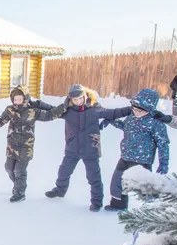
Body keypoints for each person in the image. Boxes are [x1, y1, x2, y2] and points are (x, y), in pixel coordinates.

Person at [42, 84, 132, 212]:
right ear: (70, 100)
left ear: (85, 96)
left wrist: (132, 109)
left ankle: (96, 202)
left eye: (80, 98)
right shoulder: (67, 111)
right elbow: (51, 109)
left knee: (93, 177)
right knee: (63, 171)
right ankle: (60, 190)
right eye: (75, 100)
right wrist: (37, 104)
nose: (78, 101)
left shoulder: (95, 109)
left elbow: (114, 113)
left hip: (91, 149)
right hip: (72, 148)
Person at [0, 85, 66, 202]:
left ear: (25, 98)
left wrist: (64, 106)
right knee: (9, 168)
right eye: (15, 99)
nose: (17, 101)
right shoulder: (10, 110)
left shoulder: (33, 111)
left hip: (26, 146)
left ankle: (20, 193)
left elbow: (50, 114)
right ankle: (18, 185)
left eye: (20, 99)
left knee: (19, 171)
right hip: (12, 146)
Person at [100, 89, 170, 212]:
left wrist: (163, 162)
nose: (136, 112)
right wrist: (112, 121)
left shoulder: (155, 123)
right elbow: (125, 127)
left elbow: (163, 143)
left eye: (139, 110)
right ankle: (118, 205)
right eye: (134, 109)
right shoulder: (132, 117)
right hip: (125, 157)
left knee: (145, 188)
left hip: (143, 161)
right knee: (117, 183)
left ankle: (151, 210)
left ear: (150, 109)